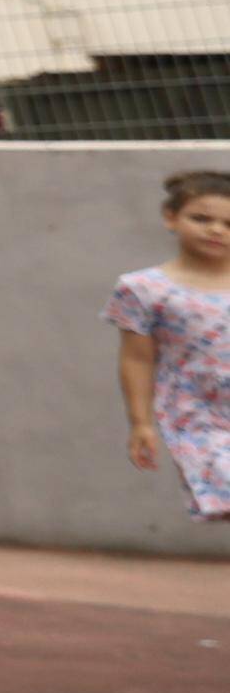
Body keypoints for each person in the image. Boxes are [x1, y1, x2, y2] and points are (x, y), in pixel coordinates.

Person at [110, 167, 230, 520]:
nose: (216, 230)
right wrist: (140, 422)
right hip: (196, 416)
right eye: (201, 218)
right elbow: (137, 360)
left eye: (228, 223)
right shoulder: (143, 289)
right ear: (171, 217)